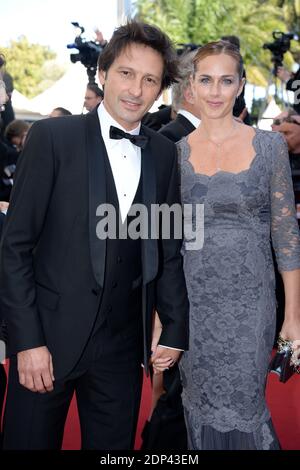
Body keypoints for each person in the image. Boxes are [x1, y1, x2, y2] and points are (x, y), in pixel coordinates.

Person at [0, 21, 189, 450]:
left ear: (159, 91)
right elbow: (14, 248)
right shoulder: (51, 138)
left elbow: (168, 247)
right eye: (126, 73)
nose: (136, 89)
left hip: (123, 349)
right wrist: (27, 341)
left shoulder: (163, 154)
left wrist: (175, 326)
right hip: (46, 341)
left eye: (149, 80)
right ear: (102, 74)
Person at [154, 40, 300, 450]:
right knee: (196, 405)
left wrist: (293, 317)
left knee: (244, 406)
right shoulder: (175, 153)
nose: (215, 91)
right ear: (192, 88)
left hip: (250, 307)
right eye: (206, 80)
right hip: (193, 305)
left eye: (225, 80)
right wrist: (163, 316)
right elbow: (168, 242)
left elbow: (286, 237)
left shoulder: (269, 148)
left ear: (239, 87)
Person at [159, 50, 201, 142]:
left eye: (226, 81)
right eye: (206, 80)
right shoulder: (170, 138)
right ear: (190, 92)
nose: (217, 90)